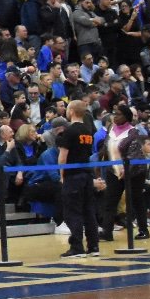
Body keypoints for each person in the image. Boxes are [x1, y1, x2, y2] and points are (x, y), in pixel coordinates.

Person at [58, 100, 103, 258]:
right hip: (87, 174)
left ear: (71, 111)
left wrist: (62, 175)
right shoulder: (88, 131)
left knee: (73, 212)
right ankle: (93, 246)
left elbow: (63, 157)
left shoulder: (69, 131)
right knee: (89, 211)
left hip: (73, 175)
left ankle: (77, 247)